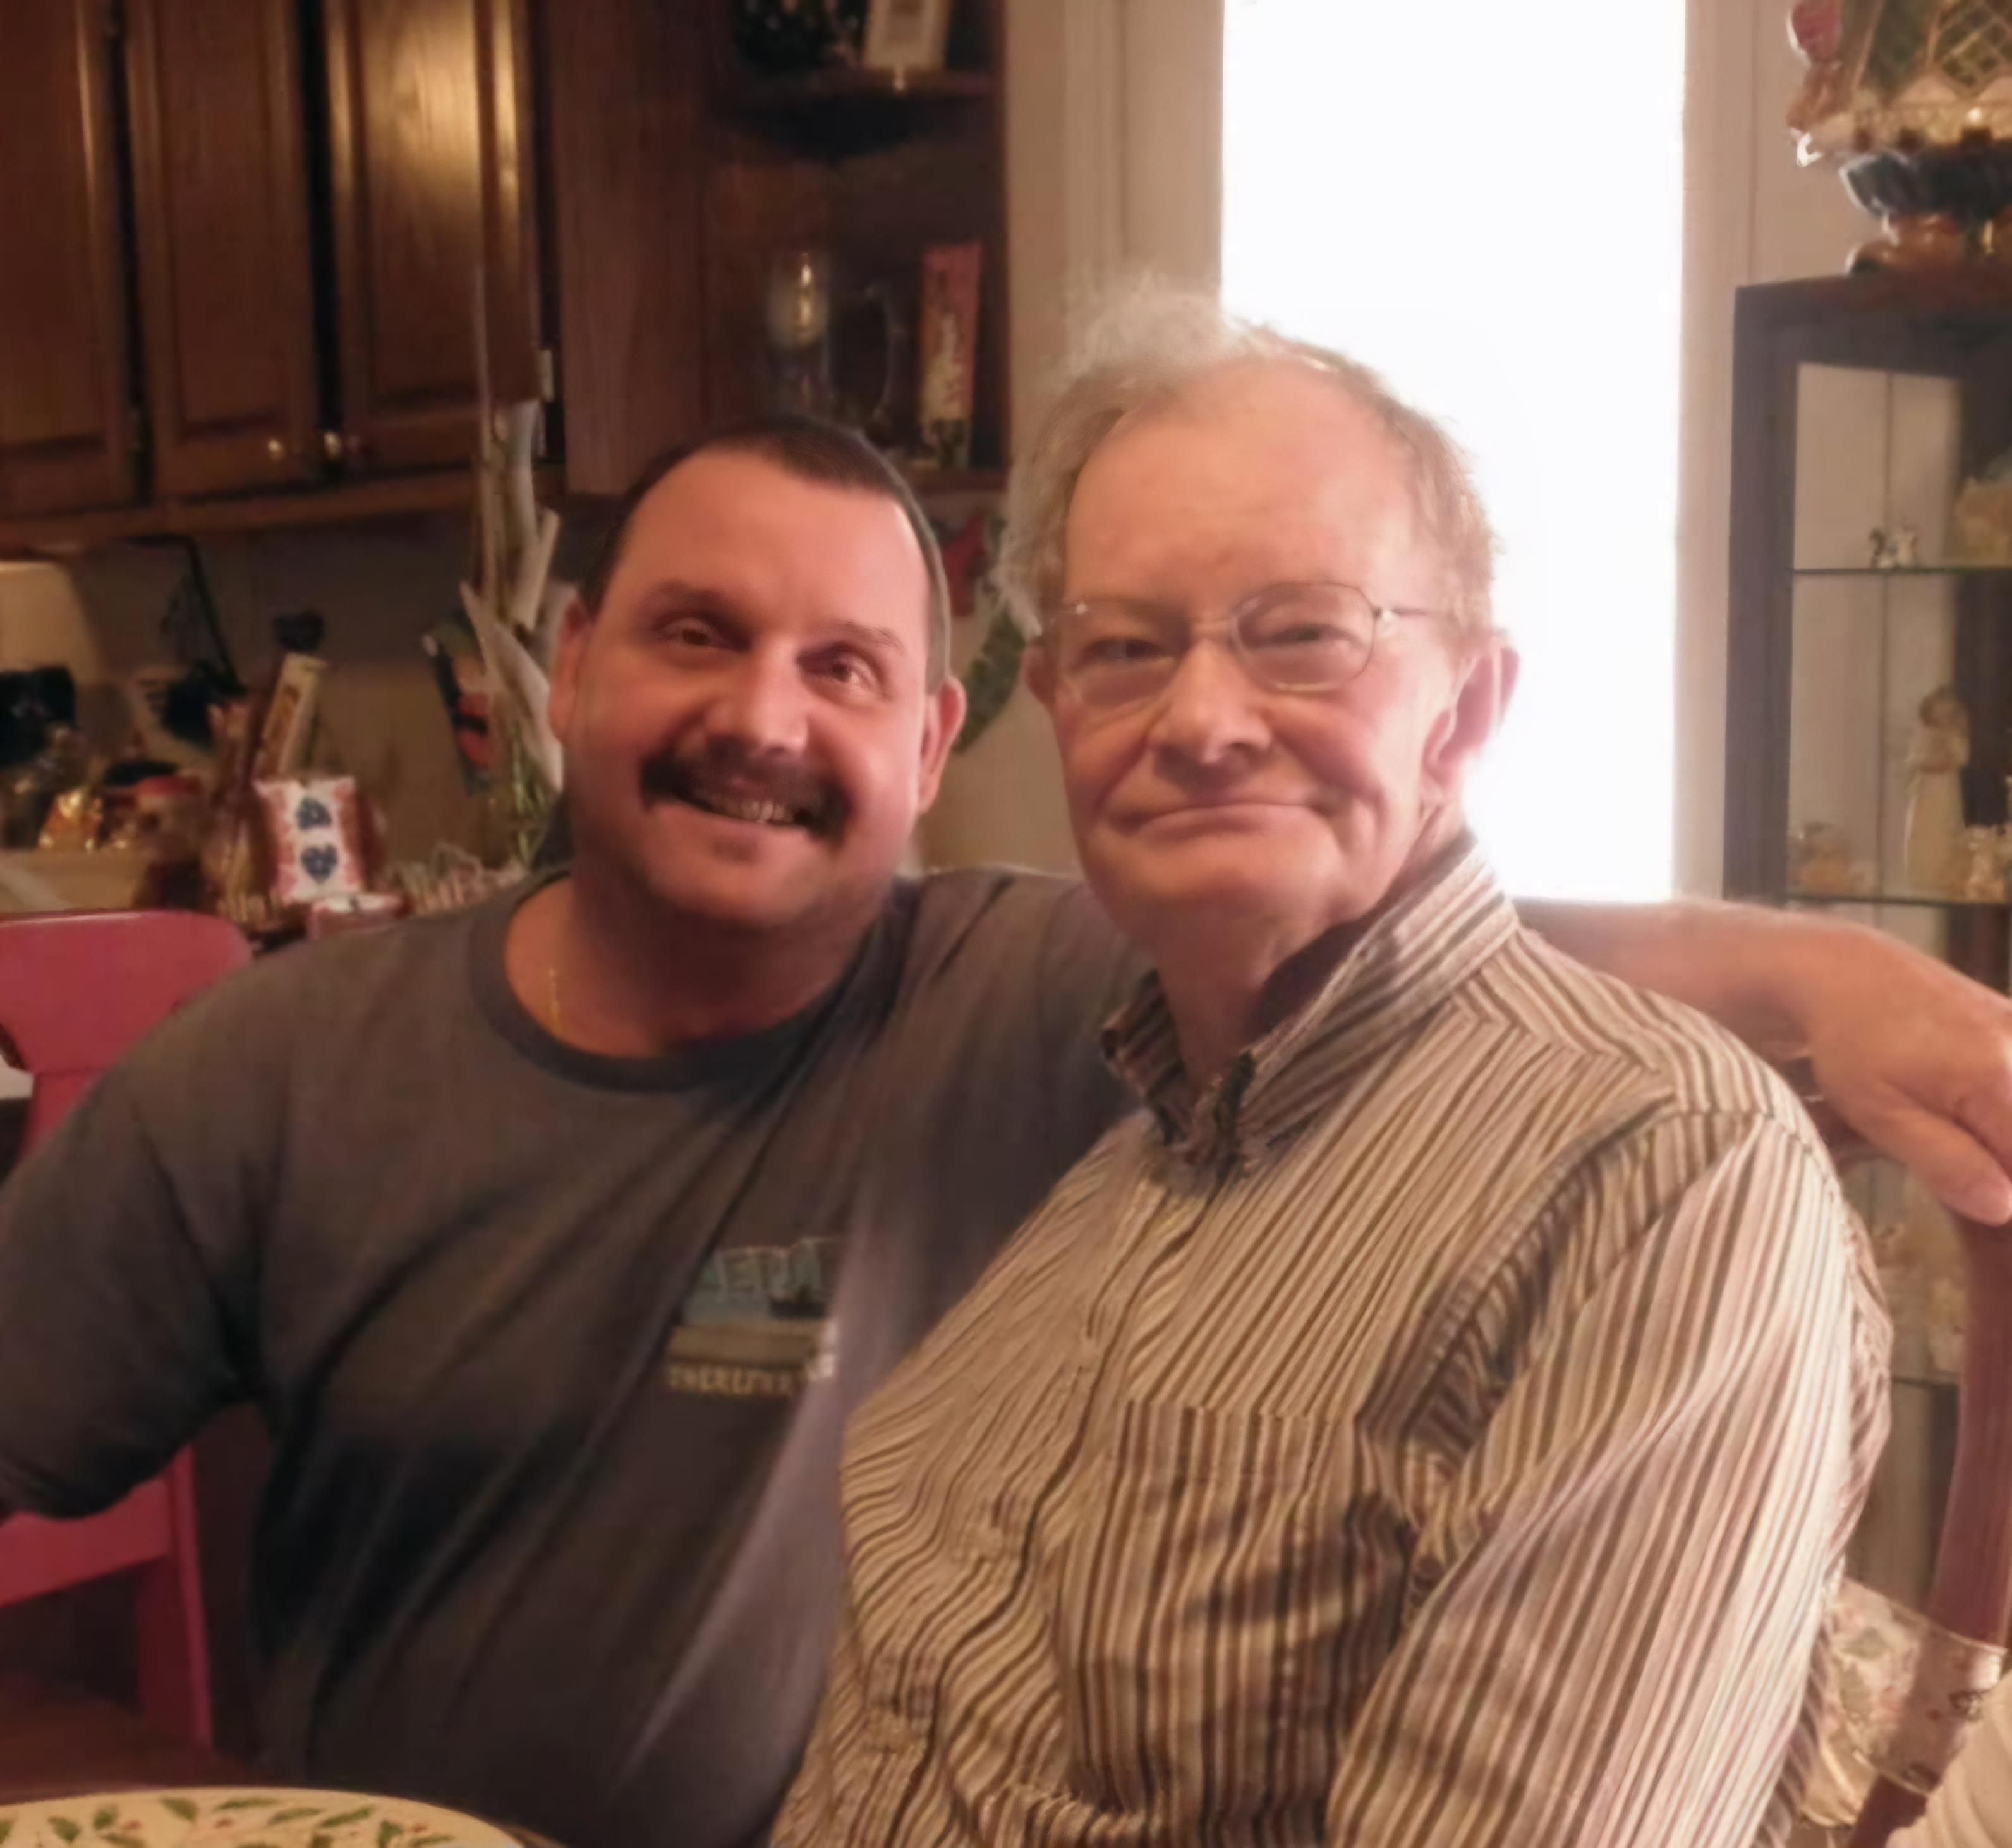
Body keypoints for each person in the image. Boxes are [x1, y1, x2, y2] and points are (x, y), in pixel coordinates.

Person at [0, 415, 2002, 1848]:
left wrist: (1814, 973)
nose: (767, 719)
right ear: (571, 669)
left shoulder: (1044, 1004)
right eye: (698, 635)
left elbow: (1374, 927)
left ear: (937, 746)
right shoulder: (277, 1067)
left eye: (847, 668)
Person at [773, 296, 1889, 1848]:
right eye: (1124, 648)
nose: (1205, 720)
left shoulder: (1667, 1176)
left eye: (1302, 633)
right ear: (1058, 712)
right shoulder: (1126, 1148)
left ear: (1468, 709)